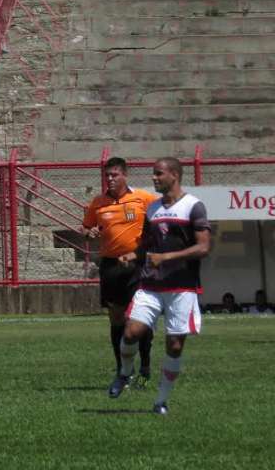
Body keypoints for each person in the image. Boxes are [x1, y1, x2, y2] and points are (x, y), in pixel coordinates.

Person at [111, 157, 211, 415]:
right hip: (152, 285)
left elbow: (203, 247)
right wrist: (134, 255)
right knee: (131, 331)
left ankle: (160, 401)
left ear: (174, 176)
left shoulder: (193, 206)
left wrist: (165, 258)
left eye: (158, 174)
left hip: (182, 288)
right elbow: (147, 245)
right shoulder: (153, 209)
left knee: (174, 346)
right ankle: (124, 372)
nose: (154, 178)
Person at [82, 157, 157, 386]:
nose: (110, 179)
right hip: (111, 265)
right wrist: (89, 232)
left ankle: (144, 362)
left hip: (136, 265)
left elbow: (161, 222)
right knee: (116, 319)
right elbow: (86, 228)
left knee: (138, 318)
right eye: (107, 175)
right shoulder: (98, 202)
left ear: (125, 175)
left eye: (115, 175)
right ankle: (123, 370)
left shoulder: (143, 199)